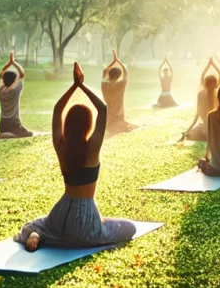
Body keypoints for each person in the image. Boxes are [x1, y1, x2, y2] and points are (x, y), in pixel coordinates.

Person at [16, 63, 136, 251]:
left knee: (36, 225)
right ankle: (74, 236)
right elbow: (102, 109)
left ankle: (38, 234)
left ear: (68, 124)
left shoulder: (61, 146)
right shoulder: (93, 148)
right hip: (88, 218)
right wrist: (82, 85)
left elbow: (57, 110)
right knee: (130, 227)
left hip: (61, 215)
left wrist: (74, 86)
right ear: (88, 125)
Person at [0, 52, 33, 140]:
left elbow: (0, 75)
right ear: (14, 80)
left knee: (27, 133)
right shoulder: (15, 90)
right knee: (20, 136)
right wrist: (13, 62)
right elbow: (22, 74)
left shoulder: (0, 90)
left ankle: (3, 134)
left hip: (3, 123)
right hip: (13, 122)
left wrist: (9, 63)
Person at [180, 58, 220, 142]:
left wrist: (189, 129)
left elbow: (197, 114)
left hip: (203, 128)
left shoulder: (201, 94)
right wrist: (212, 64)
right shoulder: (216, 93)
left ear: (205, 84)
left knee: (191, 135)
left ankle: (188, 133)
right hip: (213, 129)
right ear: (215, 84)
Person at [101, 51, 138, 135]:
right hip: (118, 117)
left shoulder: (104, 84)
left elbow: (104, 71)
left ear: (109, 75)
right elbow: (126, 72)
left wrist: (113, 62)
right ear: (119, 76)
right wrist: (118, 61)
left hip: (108, 117)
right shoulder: (120, 85)